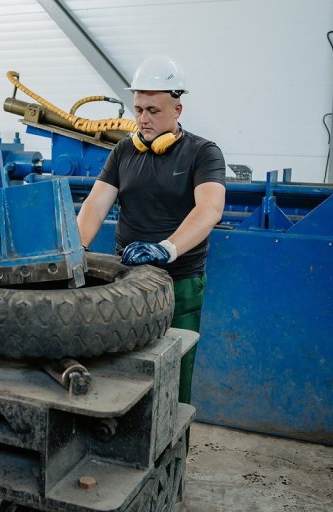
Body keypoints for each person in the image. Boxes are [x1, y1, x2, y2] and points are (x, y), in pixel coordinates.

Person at [77, 55, 225, 406]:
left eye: (153, 111)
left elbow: (210, 209)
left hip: (180, 285)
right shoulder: (124, 150)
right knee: (121, 376)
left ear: (178, 110)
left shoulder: (203, 153)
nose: (143, 119)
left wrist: (167, 249)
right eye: (139, 108)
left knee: (174, 379)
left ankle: (174, 456)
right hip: (126, 284)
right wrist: (75, 247)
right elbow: (95, 205)